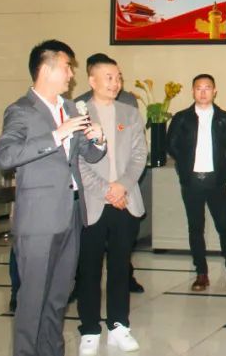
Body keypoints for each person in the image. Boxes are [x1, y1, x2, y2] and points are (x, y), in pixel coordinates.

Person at [0, 39, 107, 356]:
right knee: (33, 299)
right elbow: (6, 156)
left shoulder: (70, 109)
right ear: (46, 69)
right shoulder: (21, 110)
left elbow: (88, 154)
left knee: (59, 297)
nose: (72, 74)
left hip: (70, 214)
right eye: (67, 67)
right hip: (39, 219)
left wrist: (98, 141)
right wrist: (57, 134)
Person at [75, 55, 146, 355]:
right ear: (92, 80)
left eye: (118, 77)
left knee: (120, 267)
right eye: (109, 77)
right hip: (93, 202)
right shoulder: (77, 114)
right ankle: (90, 330)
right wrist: (107, 190)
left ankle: (119, 325)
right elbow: (77, 162)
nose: (115, 83)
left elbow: (140, 155)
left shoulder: (130, 113)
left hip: (125, 201)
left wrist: (122, 186)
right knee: (88, 268)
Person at [166, 74, 226, 292]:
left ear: (215, 91)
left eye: (207, 88)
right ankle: (201, 274)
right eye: (199, 88)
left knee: (225, 227)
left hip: (216, 181)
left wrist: (220, 162)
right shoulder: (182, 118)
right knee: (196, 228)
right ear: (192, 91)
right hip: (192, 181)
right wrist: (186, 164)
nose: (203, 92)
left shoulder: (224, 118)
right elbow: (171, 145)